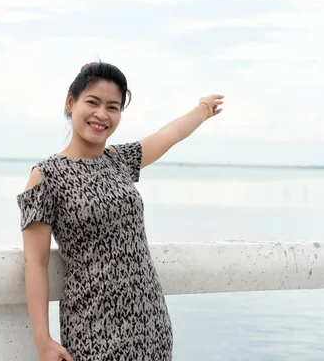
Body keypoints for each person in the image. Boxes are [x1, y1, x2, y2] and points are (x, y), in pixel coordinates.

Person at [16, 61, 224, 361]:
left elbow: (169, 135)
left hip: (150, 321)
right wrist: (43, 340)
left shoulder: (119, 160)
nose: (102, 114)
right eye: (93, 102)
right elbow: (35, 263)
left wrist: (203, 109)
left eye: (113, 107)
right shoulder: (46, 176)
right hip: (92, 327)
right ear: (70, 103)